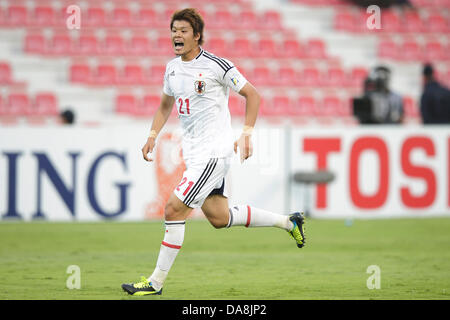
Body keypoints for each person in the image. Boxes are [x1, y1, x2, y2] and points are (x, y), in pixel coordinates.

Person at [121, 8, 306, 296]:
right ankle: (288, 222)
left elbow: (252, 95)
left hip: (214, 154)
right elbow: (164, 106)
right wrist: (152, 135)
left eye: (183, 30)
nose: (176, 35)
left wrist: (246, 133)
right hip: (194, 154)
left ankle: (155, 283)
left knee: (172, 209)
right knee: (219, 218)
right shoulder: (172, 68)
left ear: (197, 36)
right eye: (174, 30)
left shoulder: (217, 66)